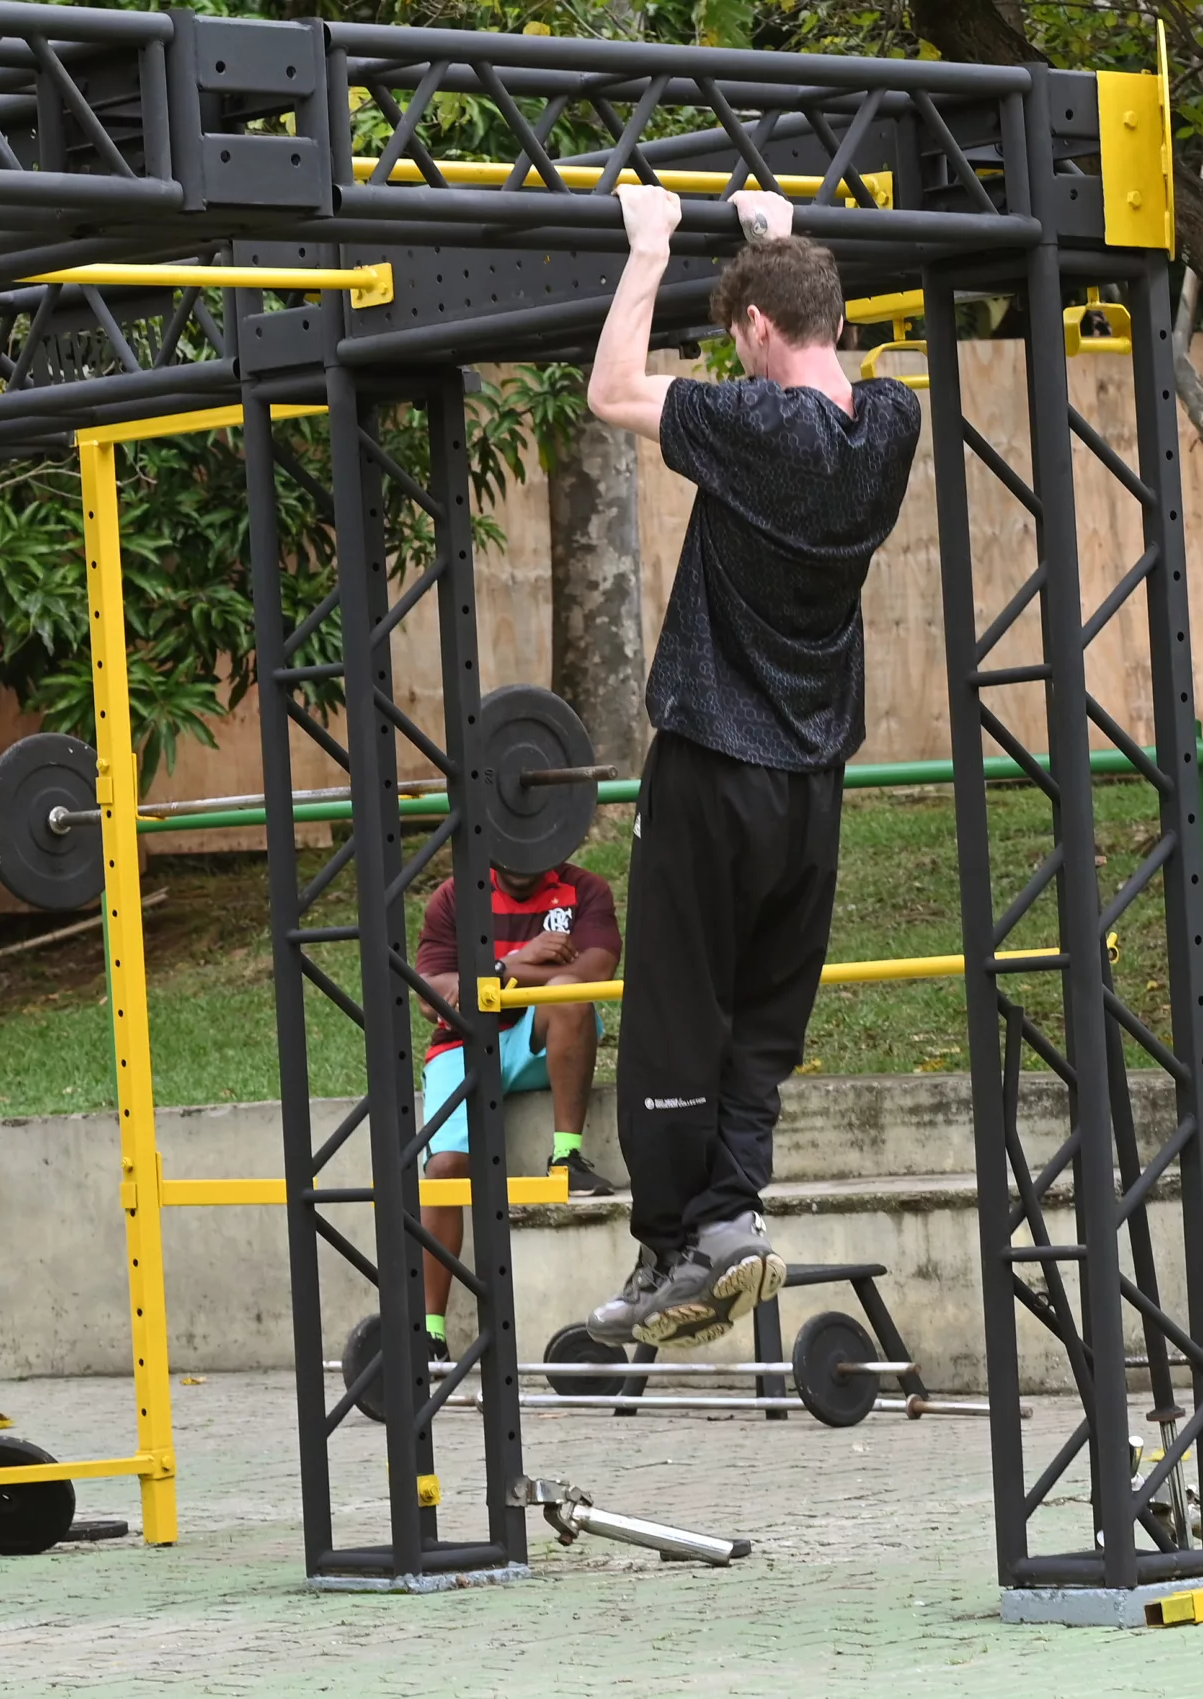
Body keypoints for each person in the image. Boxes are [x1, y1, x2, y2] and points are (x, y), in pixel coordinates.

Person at [577, 185, 921, 1351]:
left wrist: (653, 246)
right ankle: (725, 1218)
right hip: (813, 782)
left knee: (677, 1009)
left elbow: (612, 390)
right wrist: (772, 246)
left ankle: (679, 1237)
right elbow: (812, 350)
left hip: (716, 764)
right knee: (762, 1024)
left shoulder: (753, 427)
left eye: (741, 333)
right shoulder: (889, 426)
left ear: (756, 335)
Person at [412, 857, 620, 1359]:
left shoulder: (584, 889)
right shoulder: (455, 896)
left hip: (536, 1037)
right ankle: (428, 1333)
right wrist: (521, 963)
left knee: (569, 992)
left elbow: (595, 971)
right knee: (443, 1169)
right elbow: (430, 994)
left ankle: (566, 1155)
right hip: (461, 1044)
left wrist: (491, 973)